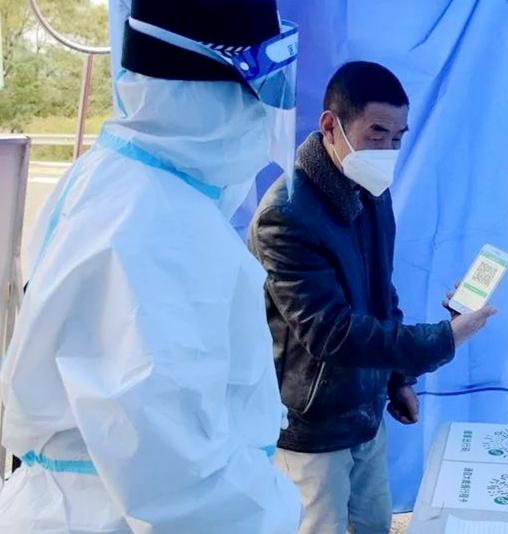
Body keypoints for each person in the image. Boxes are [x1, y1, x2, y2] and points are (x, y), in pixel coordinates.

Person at [0, 0, 302, 531]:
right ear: (205, 90)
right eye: (256, 92)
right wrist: (277, 511)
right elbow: (177, 478)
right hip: (115, 518)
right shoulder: (154, 223)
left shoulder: (123, 178)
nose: (262, 114)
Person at [247, 61, 496, 534]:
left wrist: (398, 379)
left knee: (373, 525)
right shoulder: (285, 216)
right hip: (310, 427)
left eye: (398, 138)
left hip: (366, 414)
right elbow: (330, 332)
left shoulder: (371, 192)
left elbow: (382, 293)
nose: (388, 151)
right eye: (377, 134)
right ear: (330, 126)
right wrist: (442, 339)